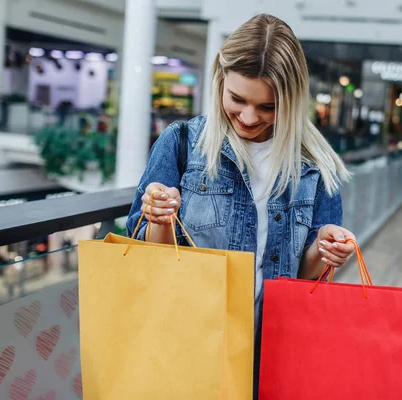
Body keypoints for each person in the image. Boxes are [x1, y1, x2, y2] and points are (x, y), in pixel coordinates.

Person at [126, 13, 356, 394]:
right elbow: (147, 264)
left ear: (293, 100)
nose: (249, 117)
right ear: (220, 78)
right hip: (189, 348)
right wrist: (160, 218)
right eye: (237, 99)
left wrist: (325, 249)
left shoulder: (315, 166)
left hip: (276, 355)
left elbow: (307, 279)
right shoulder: (182, 144)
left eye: (268, 107)